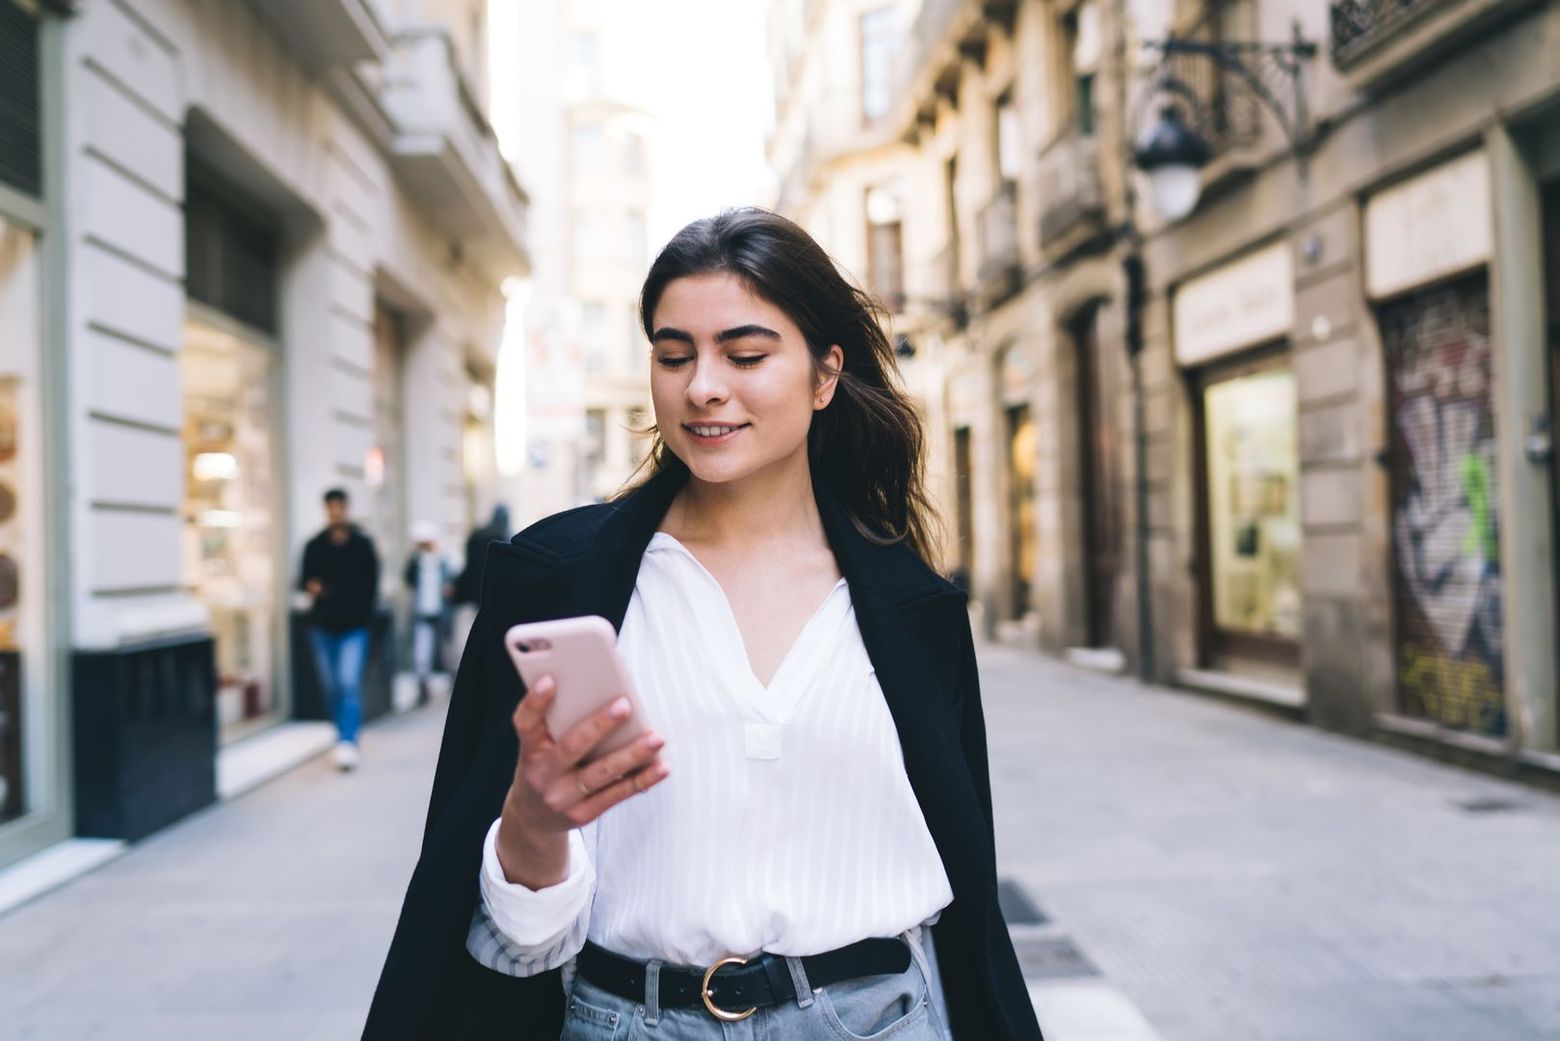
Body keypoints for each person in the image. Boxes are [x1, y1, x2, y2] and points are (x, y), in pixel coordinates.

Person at [366, 210, 1043, 1040]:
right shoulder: (558, 585)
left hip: (882, 1020)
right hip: (622, 1019)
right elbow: (517, 942)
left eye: (746, 355)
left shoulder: (915, 610)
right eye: (673, 354)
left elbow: (969, 903)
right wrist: (533, 826)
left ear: (825, 374)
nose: (702, 387)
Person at [298, 488, 380, 771]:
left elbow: (372, 585)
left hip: (354, 627)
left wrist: (362, 614)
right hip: (322, 626)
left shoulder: (361, 545)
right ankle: (341, 735)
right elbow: (304, 580)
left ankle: (348, 739)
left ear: (346, 508)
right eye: (330, 507)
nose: (335, 512)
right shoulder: (315, 545)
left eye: (339, 507)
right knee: (331, 686)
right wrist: (313, 587)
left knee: (348, 682)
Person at [451, 504, 511, 668]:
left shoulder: (477, 534)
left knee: (468, 637)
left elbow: (468, 565)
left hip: (471, 594)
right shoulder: (505, 536)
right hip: (492, 595)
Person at [404, 520, 455, 703]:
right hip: (422, 612)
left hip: (441, 611)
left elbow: (451, 583)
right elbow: (408, 579)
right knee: (422, 651)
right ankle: (422, 685)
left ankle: (452, 678)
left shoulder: (442, 561)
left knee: (445, 648)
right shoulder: (416, 562)